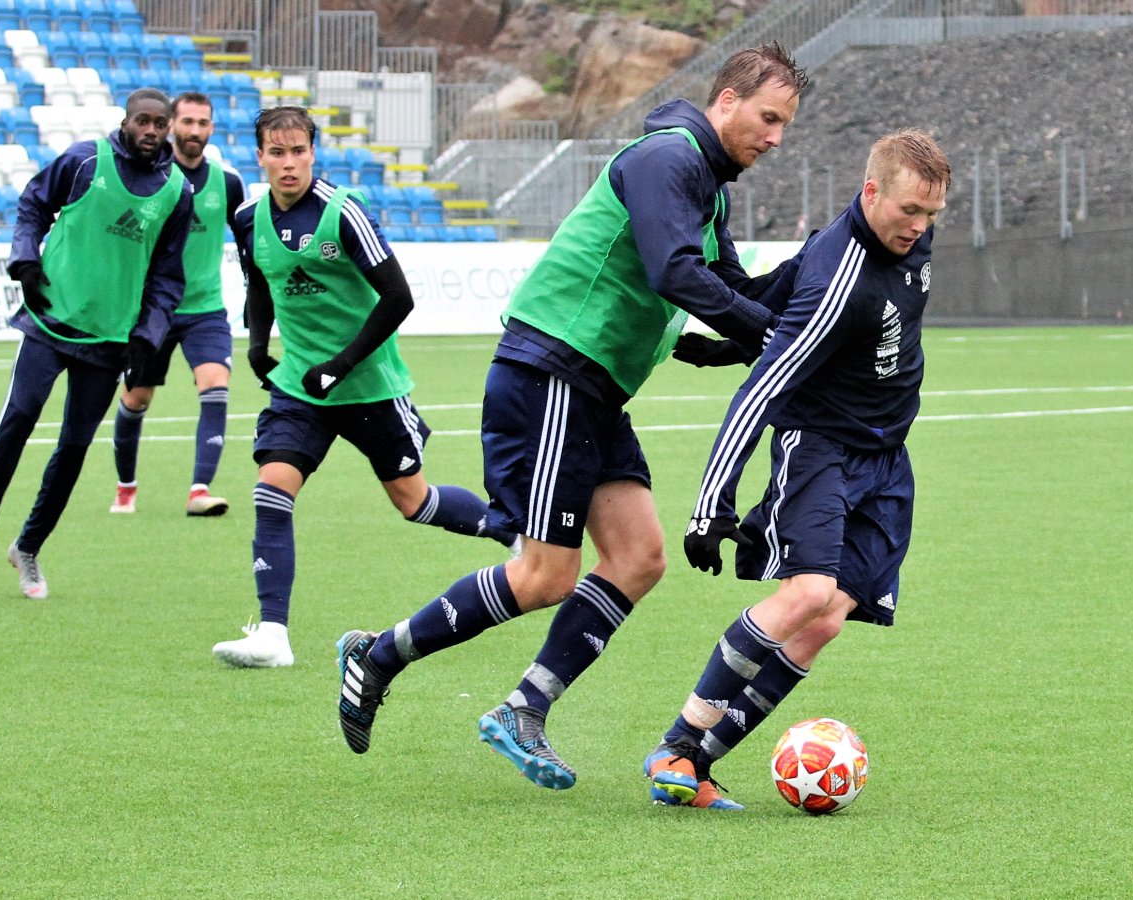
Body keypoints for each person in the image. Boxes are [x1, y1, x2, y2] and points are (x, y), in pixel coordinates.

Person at [333, 43, 811, 789]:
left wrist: (816, 269)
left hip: (591, 390)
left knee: (639, 557)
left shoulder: (705, 186)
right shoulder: (669, 158)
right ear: (727, 100)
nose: (776, 138)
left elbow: (729, 283)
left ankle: (523, 708)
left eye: (786, 125)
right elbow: (674, 272)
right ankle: (379, 654)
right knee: (545, 573)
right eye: (769, 117)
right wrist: (770, 339)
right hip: (552, 371)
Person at [644, 129, 950, 810]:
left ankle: (693, 765)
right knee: (809, 593)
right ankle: (676, 744)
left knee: (828, 618)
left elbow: (780, 287)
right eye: (909, 211)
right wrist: (710, 504)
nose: (920, 227)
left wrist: (738, 337)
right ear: (871, 192)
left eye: (932, 215)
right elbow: (763, 389)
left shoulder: (907, 237)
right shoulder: (841, 278)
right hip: (821, 448)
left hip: (888, 459)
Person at [211, 106, 511, 668]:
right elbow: (259, 284)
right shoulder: (248, 216)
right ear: (260, 158)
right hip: (301, 386)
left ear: (313, 153)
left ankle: (507, 528)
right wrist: (255, 344)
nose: (289, 163)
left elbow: (398, 297)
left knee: (414, 502)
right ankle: (273, 634)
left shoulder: (342, 213)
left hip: (368, 382)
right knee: (271, 488)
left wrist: (342, 364)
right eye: (277, 153)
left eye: (298, 151)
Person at [0, 88, 192, 600]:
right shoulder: (84, 160)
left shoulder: (176, 191)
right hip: (49, 320)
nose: (151, 131)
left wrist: (147, 336)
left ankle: (30, 547)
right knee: (18, 419)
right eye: (142, 121)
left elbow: (168, 276)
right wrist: (25, 261)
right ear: (125, 122)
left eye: (159, 124)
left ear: (168, 128)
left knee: (75, 447)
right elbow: (33, 207)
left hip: (109, 341)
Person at [109, 91, 245, 516]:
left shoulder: (227, 182)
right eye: (187, 122)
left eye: (203, 123)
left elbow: (248, 243)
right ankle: (126, 487)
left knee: (216, 386)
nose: (195, 131)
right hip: (153, 311)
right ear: (171, 126)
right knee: (136, 400)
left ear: (211, 129)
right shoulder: (151, 179)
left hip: (205, 310)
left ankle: (199, 491)